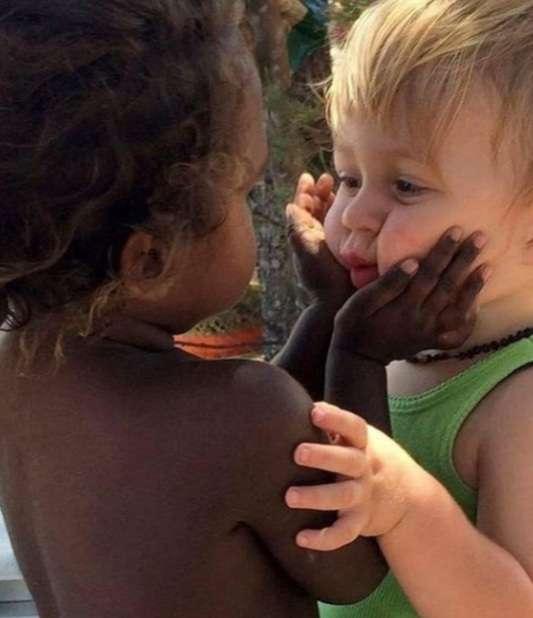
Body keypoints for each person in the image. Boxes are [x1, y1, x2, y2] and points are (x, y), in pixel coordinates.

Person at [0, 0, 486, 616]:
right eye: (244, 191)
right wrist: (358, 352)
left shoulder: (23, 363)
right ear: (149, 260)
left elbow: (231, 455)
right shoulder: (242, 413)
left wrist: (328, 309)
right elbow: (355, 567)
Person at [285, 1, 533, 616]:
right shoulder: (393, 345)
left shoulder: (521, 400)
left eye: (405, 186)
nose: (353, 215)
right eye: (348, 177)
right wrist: (331, 314)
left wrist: (404, 507)